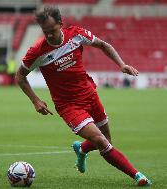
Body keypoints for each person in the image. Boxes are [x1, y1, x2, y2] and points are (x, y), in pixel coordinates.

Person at [15, 6, 151, 186]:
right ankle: (138, 176)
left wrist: (121, 65)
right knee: (102, 142)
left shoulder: (76, 35)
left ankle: (81, 148)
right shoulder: (38, 51)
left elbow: (103, 45)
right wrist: (35, 100)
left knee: (106, 139)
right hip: (68, 106)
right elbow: (20, 76)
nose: (48, 35)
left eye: (52, 31)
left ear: (61, 24)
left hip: (90, 95)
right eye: (45, 32)